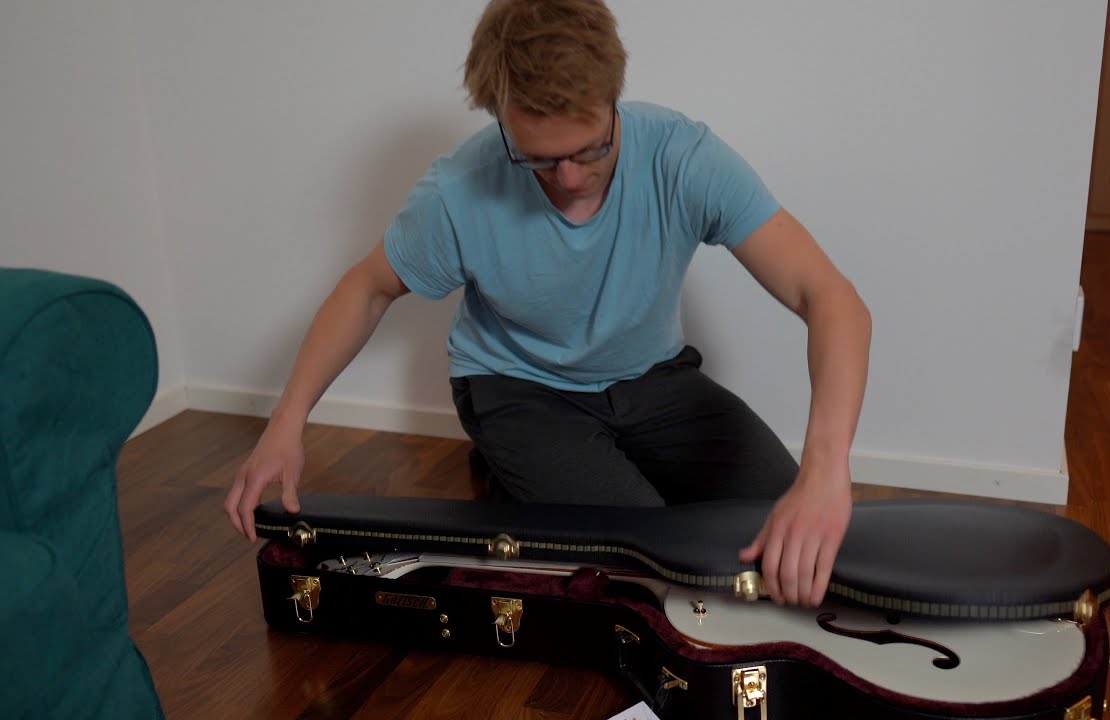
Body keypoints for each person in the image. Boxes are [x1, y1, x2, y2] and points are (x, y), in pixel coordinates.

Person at [225, 0, 871, 609]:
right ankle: (518, 470)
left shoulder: (684, 159)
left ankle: (541, 486)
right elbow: (369, 288)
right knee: (649, 557)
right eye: (537, 159)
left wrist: (825, 467)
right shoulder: (460, 188)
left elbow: (830, 297)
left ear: (614, 98)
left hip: (653, 380)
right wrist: (287, 422)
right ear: (501, 120)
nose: (568, 179)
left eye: (590, 150)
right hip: (520, 389)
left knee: (789, 522)